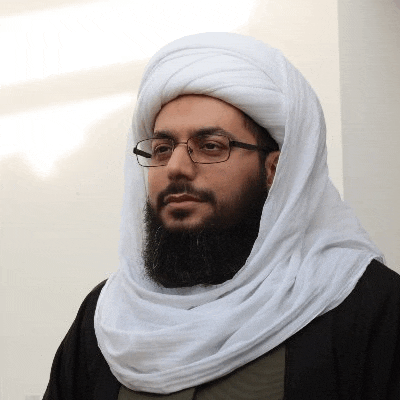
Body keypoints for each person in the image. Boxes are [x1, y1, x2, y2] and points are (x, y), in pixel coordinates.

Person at [43, 33, 400, 400]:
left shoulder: (362, 304)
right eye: (162, 149)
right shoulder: (109, 316)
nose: (176, 167)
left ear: (275, 170)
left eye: (211, 146)